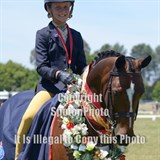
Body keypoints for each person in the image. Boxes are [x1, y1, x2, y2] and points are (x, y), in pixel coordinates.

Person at [15, 0, 87, 158]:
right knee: (28, 116)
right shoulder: (42, 34)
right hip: (50, 88)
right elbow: (41, 67)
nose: (63, 11)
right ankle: (19, 154)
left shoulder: (76, 35)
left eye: (66, 7)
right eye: (58, 7)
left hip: (72, 88)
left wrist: (89, 72)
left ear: (71, 8)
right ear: (49, 9)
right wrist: (58, 74)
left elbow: (82, 65)